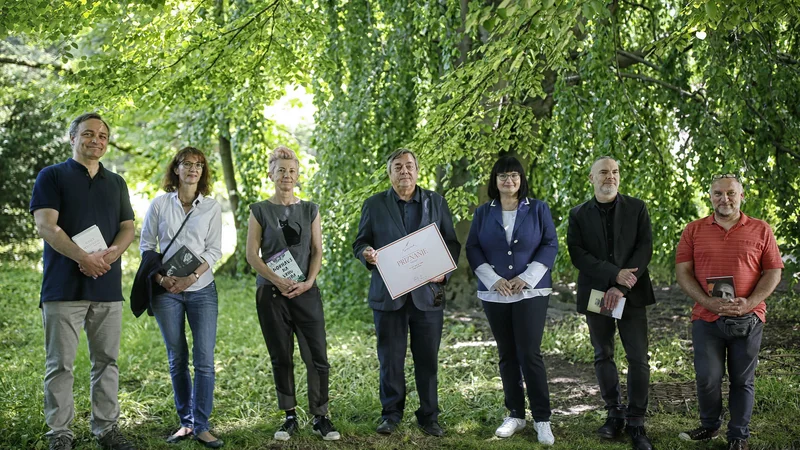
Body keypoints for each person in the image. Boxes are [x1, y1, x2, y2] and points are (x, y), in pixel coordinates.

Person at [30, 113, 137, 450]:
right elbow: (46, 225)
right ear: (72, 138)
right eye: (89, 134)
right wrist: (83, 257)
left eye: (103, 135)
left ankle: (106, 429)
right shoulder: (52, 176)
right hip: (63, 288)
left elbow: (128, 227)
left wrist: (110, 255)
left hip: (107, 286)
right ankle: (59, 433)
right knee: (59, 363)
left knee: (107, 361)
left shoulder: (117, 182)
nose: (97, 140)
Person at [352, 149, 461, 437]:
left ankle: (429, 416)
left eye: (409, 166)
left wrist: (445, 272)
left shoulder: (436, 202)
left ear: (417, 170)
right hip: (389, 296)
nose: (404, 171)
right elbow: (360, 242)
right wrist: (366, 253)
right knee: (390, 359)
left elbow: (452, 243)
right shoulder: (374, 205)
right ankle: (391, 414)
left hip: (428, 295)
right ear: (389, 173)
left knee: (428, 359)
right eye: (398, 167)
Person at [675, 174, 783, 450]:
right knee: (708, 377)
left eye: (731, 193)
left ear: (741, 196)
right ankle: (710, 425)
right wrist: (707, 301)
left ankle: (738, 436)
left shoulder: (761, 230)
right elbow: (683, 273)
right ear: (710, 196)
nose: (725, 199)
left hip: (749, 317)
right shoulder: (693, 230)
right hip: (706, 317)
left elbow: (773, 272)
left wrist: (750, 302)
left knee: (742, 379)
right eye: (718, 193)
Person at [245, 146, 339, 441]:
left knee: (318, 357)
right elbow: (252, 255)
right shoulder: (259, 210)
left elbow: (317, 251)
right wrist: (276, 280)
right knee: (281, 357)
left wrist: (309, 282)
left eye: (292, 170)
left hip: (306, 292)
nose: (287, 175)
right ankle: (288, 417)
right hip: (271, 295)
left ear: (298, 175)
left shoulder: (310, 209)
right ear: (270, 174)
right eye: (281, 170)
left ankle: (320, 416)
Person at [465, 156, 557, 445]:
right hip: (495, 293)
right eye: (503, 176)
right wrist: (494, 280)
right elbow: (473, 248)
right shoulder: (483, 213)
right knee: (506, 354)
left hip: (531, 292)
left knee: (529, 353)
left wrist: (526, 278)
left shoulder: (538, 209)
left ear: (521, 179)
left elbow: (549, 244)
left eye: (514, 175)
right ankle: (515, 414)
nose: (509, 181)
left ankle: (542, 418)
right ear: (495, 181)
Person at [566, 156, 655, 450]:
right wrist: (612, 275)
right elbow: (578, 255)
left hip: (630, 293)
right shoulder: (578, 214)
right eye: (603, 172)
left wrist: (621, 285)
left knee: (638, 358)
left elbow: (645, 248)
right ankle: (614, 413)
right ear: (591, 178)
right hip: (597, 294)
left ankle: (637, 421)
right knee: (603, 353)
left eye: (615, 172)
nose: (610, 177)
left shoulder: (637, 207)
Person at [139, 147, 223, 448]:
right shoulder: (160, 204)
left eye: (199, 165)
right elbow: (147, 246)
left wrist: (191, 277)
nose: (193, 169)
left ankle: (202, 425)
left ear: (203, 172)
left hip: (202, 290)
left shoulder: (211, 207)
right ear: (176, 169)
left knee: (204, 360)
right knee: (177, 358)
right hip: (166, 292)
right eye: (187, 164)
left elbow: (214, 250)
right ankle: (185, 423)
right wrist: (162, 279)